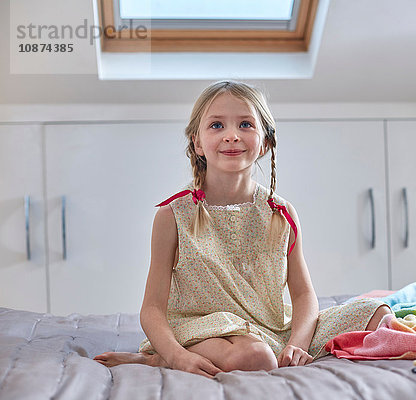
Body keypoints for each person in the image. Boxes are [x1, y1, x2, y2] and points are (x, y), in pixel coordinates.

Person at [94, 80, 392, 378]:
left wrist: (297, 345)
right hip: (203, 331)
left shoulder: (281, 213)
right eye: (217, 126)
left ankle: (271, 348)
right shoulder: (173, 216)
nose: (232, 136)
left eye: (246, 124)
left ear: (265, 141)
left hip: (270, 326)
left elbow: (303, 295)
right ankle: (155, 359)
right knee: (256, 356)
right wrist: (175, 356)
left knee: (377, 313)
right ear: (197, 142)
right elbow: (153, 309)